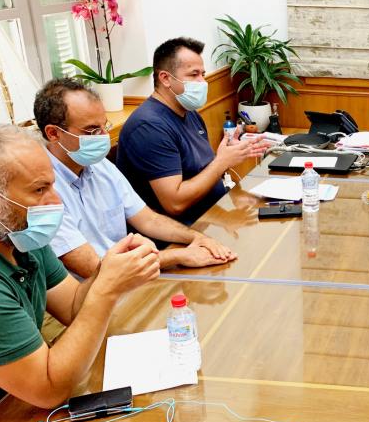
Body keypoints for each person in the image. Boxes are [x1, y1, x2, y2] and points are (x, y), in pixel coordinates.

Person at [0, 124, 160, 422]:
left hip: (17, 401)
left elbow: (73, 306)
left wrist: (108, 269)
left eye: (53, 185)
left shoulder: (17, 233)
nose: (56, 201)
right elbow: (48, 389)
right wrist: (106, 290)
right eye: (39, 190)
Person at [34, 78, 237, 278]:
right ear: (53, 133)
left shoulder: (100, 165)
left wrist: (196, 238)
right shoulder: (40, 191)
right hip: (93, 288)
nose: (103, 136)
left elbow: (148, 220)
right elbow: (91, 267)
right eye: (92, 130)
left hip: (133, 275)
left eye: (104, 126)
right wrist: (178, 256)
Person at [116, 37, 269, 224]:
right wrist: (221, 162)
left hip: (216, 213)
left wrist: (230, 158)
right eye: (194, 74)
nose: (203, 82)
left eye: (203, 74)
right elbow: (175, 204)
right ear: (165, 78)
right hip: (181, 231)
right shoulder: (148, 127)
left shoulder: (189, 113)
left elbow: (203, 171)